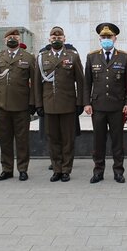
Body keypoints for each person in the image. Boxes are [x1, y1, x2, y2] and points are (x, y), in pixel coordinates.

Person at [84, 23, 127, 184]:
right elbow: (87, 83)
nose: (106, 39)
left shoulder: (124, 57)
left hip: (117, 107)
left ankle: (118, 171)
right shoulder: (92, 57)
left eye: (109, 37)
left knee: (117, 141)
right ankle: (98, 171)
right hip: (98, 106)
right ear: (100, 39)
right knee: (98, 141)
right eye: (104, 37)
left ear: (115, 38)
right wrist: (87, 103)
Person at [35, 26, 85, 182]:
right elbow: (37, 83)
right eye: (53, 37)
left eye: (59, 37)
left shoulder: (72, 56)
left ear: (64, 38)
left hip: (68, 104)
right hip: (49, 104)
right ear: (49, 39)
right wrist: (38, 104)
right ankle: (56, 169)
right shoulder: (42, 57)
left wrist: (80, 103)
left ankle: (66, 170)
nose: (56, 39)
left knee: (68, 139)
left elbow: (81, 81)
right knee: (53, 138)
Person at [0, 28, 36, 182]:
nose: (12, 39)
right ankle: (6, 169)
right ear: (4, 40)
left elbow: (34, 83)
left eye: (15, 36)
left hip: (21, 106)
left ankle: (22, 169)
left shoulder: (28, 58)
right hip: (3, 105)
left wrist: (33, 103)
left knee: (22, 140)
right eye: (9, 37)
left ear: (20, 39)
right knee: (5, 140)